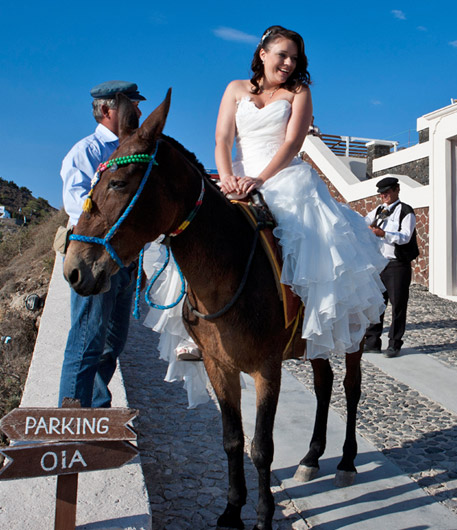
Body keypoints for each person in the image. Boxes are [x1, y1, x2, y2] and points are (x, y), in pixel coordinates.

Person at [174, 25, 384, 362]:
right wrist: (227, 178)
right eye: (282, 55)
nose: (288, 63)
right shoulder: (235, 89)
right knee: (196, 233)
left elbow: (292, 142)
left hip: (281, 176)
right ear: (262, 54)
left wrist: (259, 179)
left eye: (294, 58)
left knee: (306, 241)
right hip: (236, 178)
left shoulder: (298, 91)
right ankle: (199, 327)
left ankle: (298, 322)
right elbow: (222, 139)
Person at [59, 80, 145, 408]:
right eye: (132, 104)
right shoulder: (86, 152)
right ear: (107, 109)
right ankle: (69, 422)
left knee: (113, 343)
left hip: (124, 261)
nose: (139, 111)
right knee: (85, 342)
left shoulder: (134, 151)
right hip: (95, 260)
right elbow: (81, 207)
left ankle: (95, 408)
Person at [363, 177, 419, 358]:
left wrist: (384, 234)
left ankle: (394, 344)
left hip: (397, 265)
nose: (383, 195)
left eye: (387, 191)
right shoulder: (379, 210)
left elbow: (405, 237)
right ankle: (372, 342)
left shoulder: (405, 211)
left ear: (397, 189)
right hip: (379, 264)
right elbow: (364, 223)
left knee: (397, 306)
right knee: (376, 304)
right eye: (381, 193)